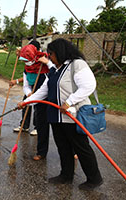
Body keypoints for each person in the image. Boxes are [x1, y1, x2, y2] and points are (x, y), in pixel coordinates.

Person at [18, 38, 103, 190]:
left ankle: (94, 178)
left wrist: (69, 101)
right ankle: (66, 175)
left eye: (51, 54)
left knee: (81, 147)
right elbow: (43, 91)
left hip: (73, 116)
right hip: (56, 117)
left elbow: (89, 85)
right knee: (63, 147)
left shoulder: (77, 64)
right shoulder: (55, 69)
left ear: (60, 52)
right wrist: (26, 102)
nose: (49, 57)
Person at [10, 40, 50, 161]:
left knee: (54, 124)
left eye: (28, 60)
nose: (27, 63)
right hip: (33, 93)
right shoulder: (27, 68)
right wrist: (29, 94)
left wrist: (32, 98)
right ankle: (41, 152)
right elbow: (26, 85)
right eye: (24, 61)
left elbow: (46, 89)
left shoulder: (44, 65)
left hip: (46, 97)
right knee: (41, 123)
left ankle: (73, 151)